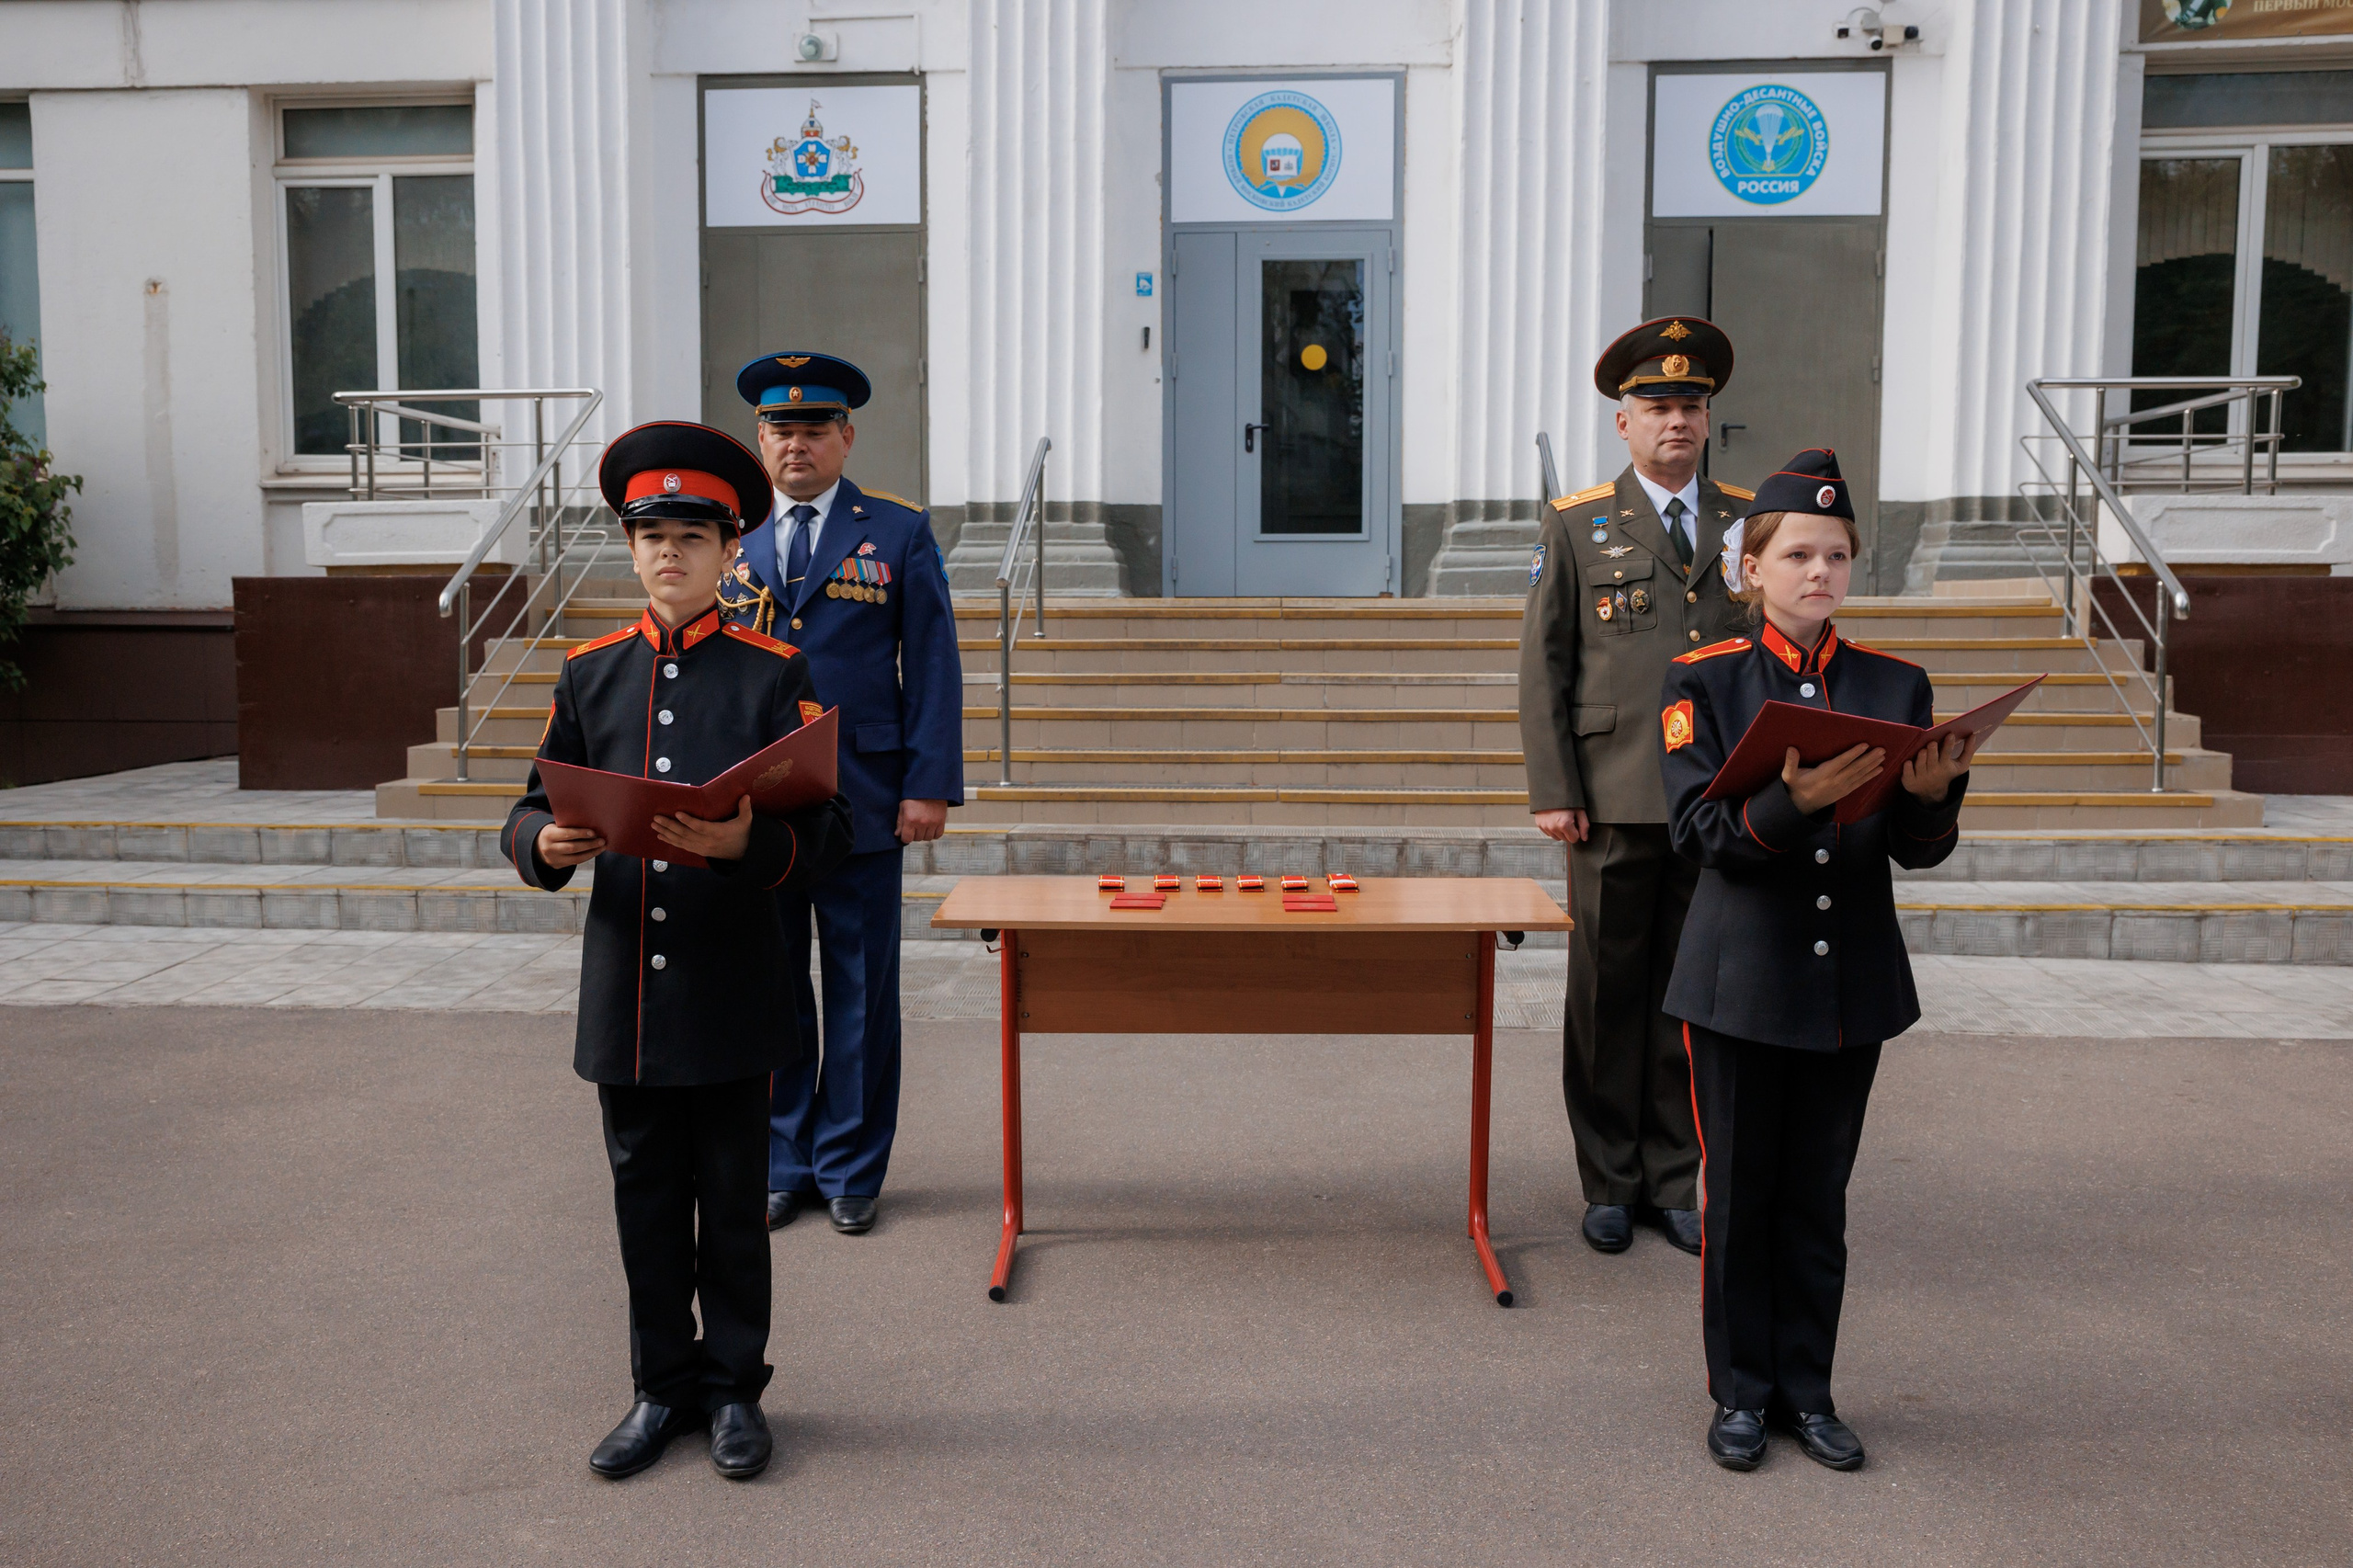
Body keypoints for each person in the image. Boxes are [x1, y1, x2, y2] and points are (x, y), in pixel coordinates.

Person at [501, 420, 855, 1482]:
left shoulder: (771, 672)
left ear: (729, 550)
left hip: (735, 989)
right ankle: (661, 1387)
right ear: (631, 546)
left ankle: (736, 1390)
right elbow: (528, 810)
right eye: (651, 534)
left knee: (735, 1208)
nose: (670, 554)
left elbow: (826, 836)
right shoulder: (590, 673)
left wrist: (752, 840)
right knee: (645, 1206)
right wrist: (545, 843)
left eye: (693, 536)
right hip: (630, 1002)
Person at [1657, 448, 1981, 1473]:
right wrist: (1785, 804)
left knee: (1817, 1198)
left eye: (1836, 554)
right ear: (1750, 566)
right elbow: (1694, 834)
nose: (1818, 571)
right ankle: (1742, 1395)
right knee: (1741, 1193)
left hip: (1847, 984)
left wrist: (1931, 796)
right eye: (1796, 552)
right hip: (1740, 982)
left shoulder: (1894, 680)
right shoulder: (1703, 680)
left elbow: (1913, 849)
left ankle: (1809, 1390)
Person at [1518, 316, 1753, 1257]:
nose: (1676, 420)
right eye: (1656, 405)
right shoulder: (1577, 523)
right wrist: (1553, 786)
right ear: (1624, 421)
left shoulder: (1748, 522)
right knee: (1607, 994)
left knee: (1690, 995)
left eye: (1690, 404)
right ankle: (1608, 1180)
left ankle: (1674, 1177)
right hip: (1612, 795)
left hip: (1717, 795)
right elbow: (1545, 664)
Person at [718, 352, 964, 1237]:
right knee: (774, 987)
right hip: (761, 808)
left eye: (815, 428)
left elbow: (933, 665)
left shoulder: (896, 532)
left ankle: (853, 1164)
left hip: (865, 798)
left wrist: (929, 785)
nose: (797, 443)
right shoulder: (730, 540)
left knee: (862, 989)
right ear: (760, 438)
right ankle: (786, 1159)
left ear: (846, 437)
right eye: (781, 428)